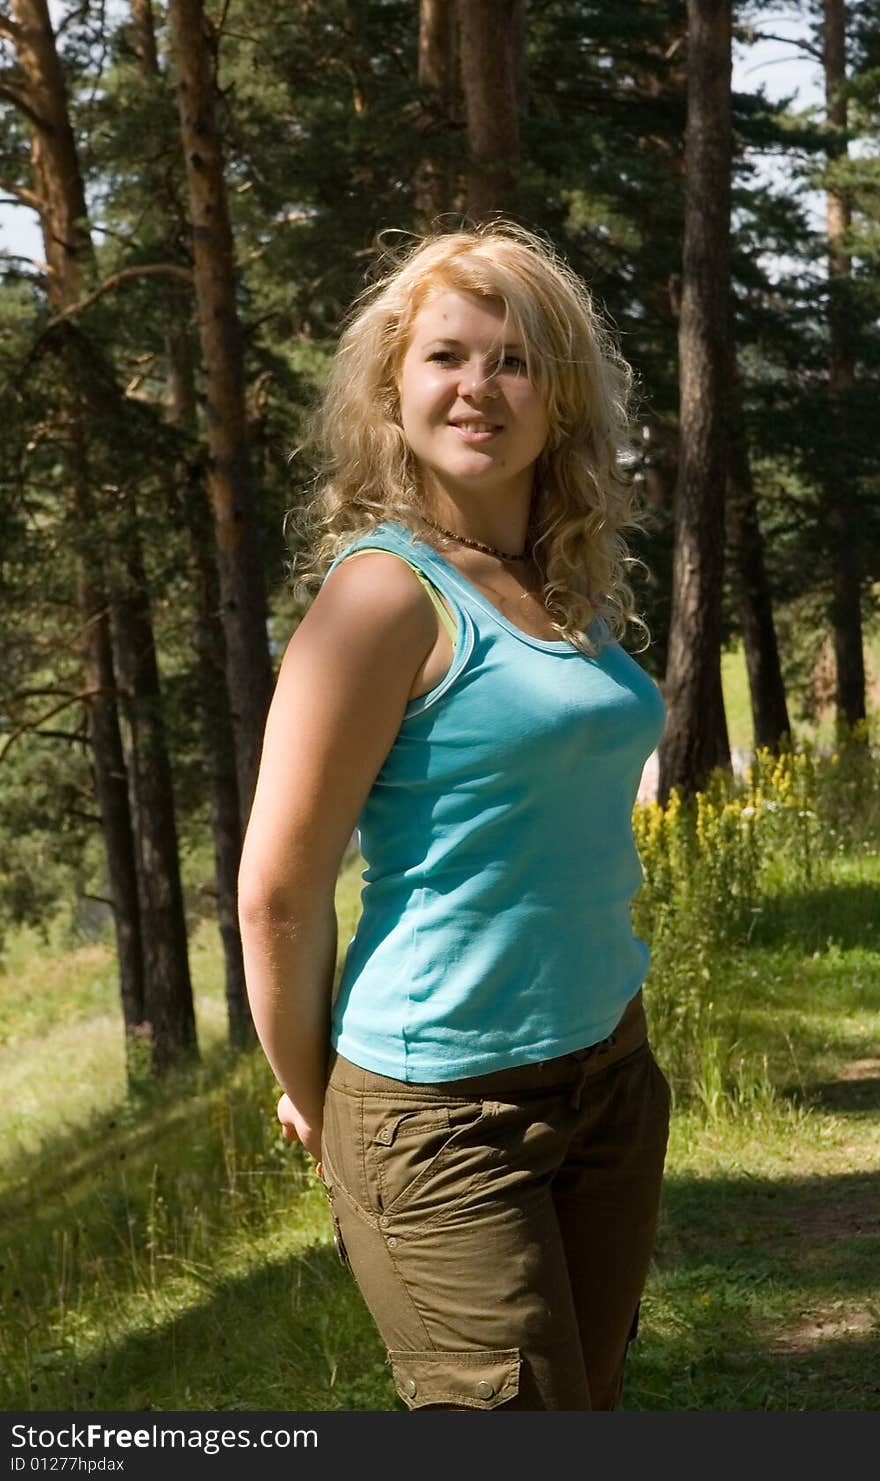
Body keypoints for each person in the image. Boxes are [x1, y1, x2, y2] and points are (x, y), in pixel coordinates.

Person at [237, 221, 670, 1413]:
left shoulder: (553, 581)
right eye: (445, 356)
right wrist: (314, 1087)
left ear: (560, 400)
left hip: (610, 1072)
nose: (478, 386)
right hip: (443, 1116)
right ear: (393, 390)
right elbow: (279, 885)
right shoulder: (383, 592)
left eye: (515, 359)